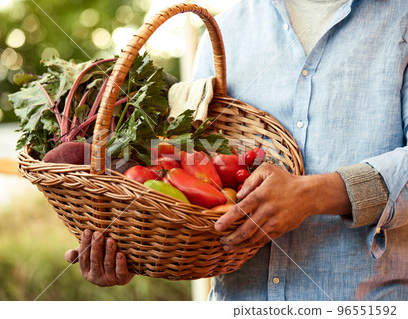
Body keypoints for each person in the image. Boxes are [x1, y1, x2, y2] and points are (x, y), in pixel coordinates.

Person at [65, 0, 408, 300]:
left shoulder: (401, 20)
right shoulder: (226, 31)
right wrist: (138, 251)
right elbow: (189, 169)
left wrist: (313, 195)